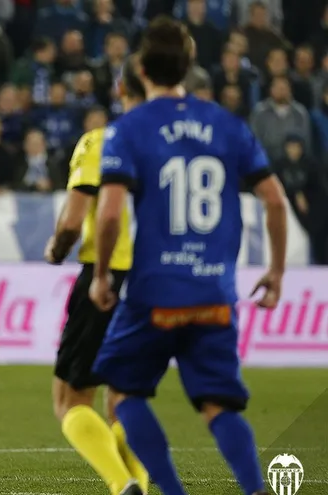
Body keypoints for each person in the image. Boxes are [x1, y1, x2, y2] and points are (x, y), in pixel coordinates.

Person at [90, 17, 286, 495]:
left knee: (125, 394)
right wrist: (277, 271)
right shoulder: (228, 125)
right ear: (190, 63)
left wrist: (101, 276)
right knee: (219, 405)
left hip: (154, 292)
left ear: (139, 68)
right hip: (214, 292)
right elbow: (275, 200)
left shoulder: (128, 129)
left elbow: (111, 214)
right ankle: (255, 489)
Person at [44, 57, 149, 495]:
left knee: (71, 399)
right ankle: (140, 484)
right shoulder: (179, 146)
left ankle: (122, 482)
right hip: (161, 280)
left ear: (121, 91)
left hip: (109, 275)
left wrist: (57, 249)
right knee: (124, 398)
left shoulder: (102, 141)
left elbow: (74, 220)